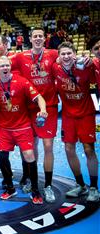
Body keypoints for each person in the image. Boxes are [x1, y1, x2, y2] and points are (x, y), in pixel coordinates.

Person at [11, 27, 59, 203]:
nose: (38, 38)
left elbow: (69, 58)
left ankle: (47, 185)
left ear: (44, 38)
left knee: (47, 146)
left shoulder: (53, 54)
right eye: (34, 36)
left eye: (40, 36)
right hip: (28, 108)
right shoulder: (20, 56)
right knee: (29, 146)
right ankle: (30, 179)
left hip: (49, 108)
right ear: (29, 39)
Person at [0, 56, 47, 204]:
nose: (4, 68)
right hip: (4, 128)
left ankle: (36, 191)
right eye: (1, 66)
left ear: (10, 66)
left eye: (6, 65)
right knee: (2, 157)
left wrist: (43, 109)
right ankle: (10, 188)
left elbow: (39, 97)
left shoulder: (21, 82)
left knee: (29, 155)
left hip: (22, 127)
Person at [52, 42, 98, 202]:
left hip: (86, 114)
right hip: (68, 116)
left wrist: (89, 61)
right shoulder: (55, 68)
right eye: (62, 54)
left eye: (69, 54)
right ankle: (80, 185)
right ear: (59, 56)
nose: (66, 57)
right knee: (68, 148)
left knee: (88, 150)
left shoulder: (85, 67)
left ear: (74, 54)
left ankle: (94, 187)